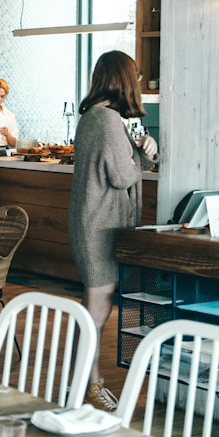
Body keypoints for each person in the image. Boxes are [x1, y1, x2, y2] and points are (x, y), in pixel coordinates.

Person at [69, 51, 158, 412]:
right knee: (98, 307)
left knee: (93, 305)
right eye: (135, 76)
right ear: (123, 78)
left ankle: (82, 382)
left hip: (94, 220)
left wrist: (143, 151)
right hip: (101, 225)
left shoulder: (95, 117)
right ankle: (89, 386)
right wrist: (142, 155)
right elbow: (123, 176)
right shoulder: (107, 120)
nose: (137, 82)